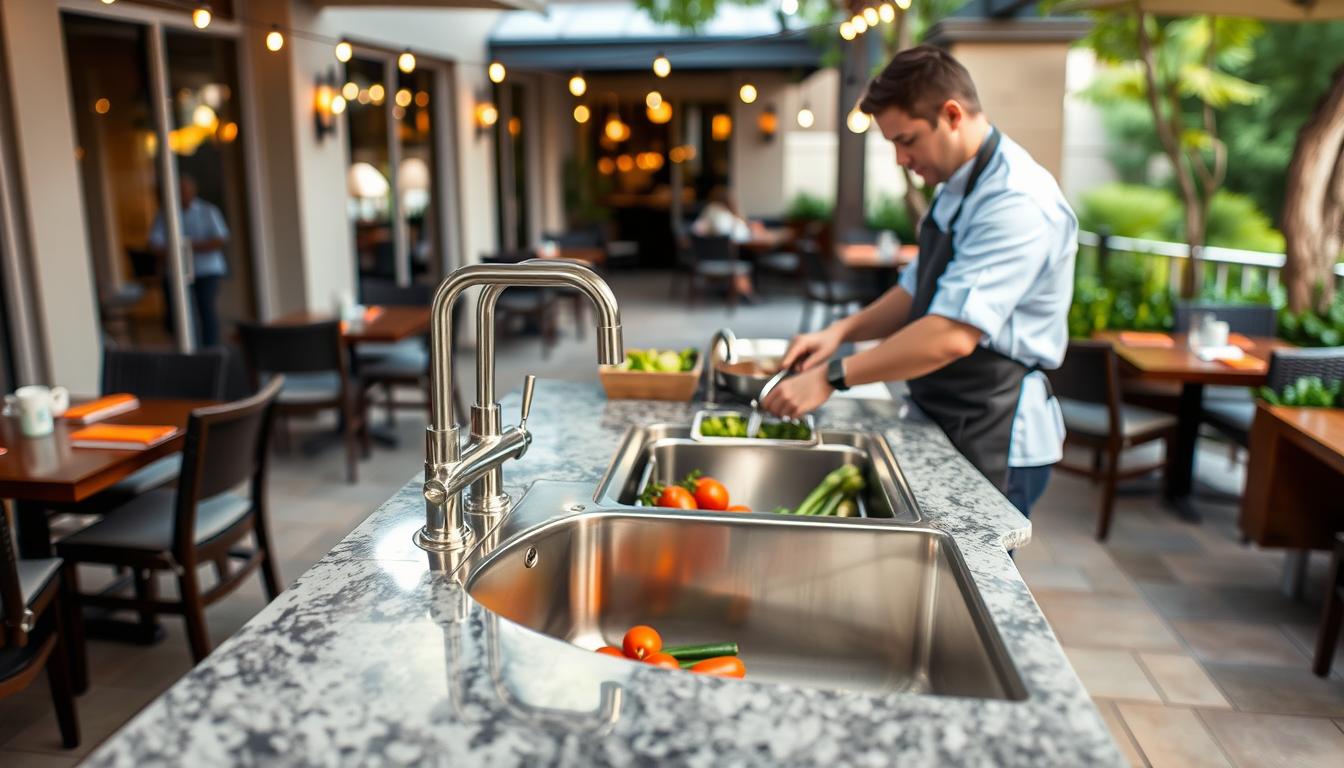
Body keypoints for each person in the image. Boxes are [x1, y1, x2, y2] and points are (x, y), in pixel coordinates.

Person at [761, 46, 1077, 517]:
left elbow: (950, 335)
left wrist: (832, 377)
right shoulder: (957, 185)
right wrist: (838, 333)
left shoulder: (1016, 201)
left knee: (975, 582)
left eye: (906, 140)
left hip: (999, 430)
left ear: (952, 115)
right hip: (947, 410)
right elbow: (916, 289)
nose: (900, 159)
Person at [149, 173, 230, 347]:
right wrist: (175, 251)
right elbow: (155, 243)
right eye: (178, 191)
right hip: (177, 271)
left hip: (206, 269)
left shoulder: (208, 211)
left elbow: (220, 239)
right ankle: (182, 345)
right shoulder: (165, 214)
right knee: (176, 311)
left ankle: (210, 348)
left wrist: (188, 247)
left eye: (184, 191)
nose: (181, 195)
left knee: (205, 308)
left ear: (193, 192)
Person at [690, 186, 764, 302]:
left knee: (740, 257)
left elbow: (696, 230)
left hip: (705, 259)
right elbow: (739, 235)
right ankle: (745, 292)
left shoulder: (708, 212)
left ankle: (739, 290)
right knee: (744, 258)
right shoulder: (723, 216)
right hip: (724, 260)